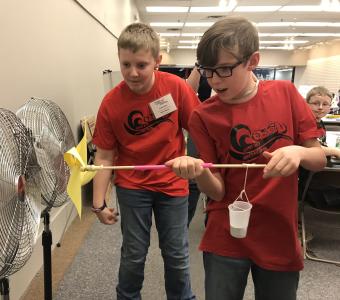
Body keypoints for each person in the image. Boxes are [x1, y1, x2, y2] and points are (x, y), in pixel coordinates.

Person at [166, 16, 326, 300]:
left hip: (278, 231)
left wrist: (298, 151)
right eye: (207, 70)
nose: (214, 80)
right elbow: (218, 190)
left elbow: (318, 158)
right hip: (226, 231)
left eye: (224, 69)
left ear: (252, 61)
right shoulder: (203, 116)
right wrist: (199, 171)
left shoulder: (285, 94)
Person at [92, 22, 199, 300]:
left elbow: (200, 132)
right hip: (132, 186)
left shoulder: (176, 88)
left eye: (141, 65)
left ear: (157, 62)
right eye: (126, 64)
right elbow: (103, 156)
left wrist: (192, 159)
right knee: (134, 255)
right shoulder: (110, 103)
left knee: (176, 254)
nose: (132, 73)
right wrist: (98, 203)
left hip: (173, 183)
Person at [186, 67, 212, 226]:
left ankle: (210, 222)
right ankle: (185, 223)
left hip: (216, 130)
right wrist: (198, 66)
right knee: (193, 182)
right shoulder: (198, 71)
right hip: (198, 130)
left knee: (215, 176)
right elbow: (188, 89)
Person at [306, 86, 340, 157]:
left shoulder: (319, 122)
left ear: (330, 107)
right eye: (315, 103)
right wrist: (335, 151)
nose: (320, 107)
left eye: (325, 104)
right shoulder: (306, 123)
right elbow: (311, 148)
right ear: (306, 104)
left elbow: (319, 143)